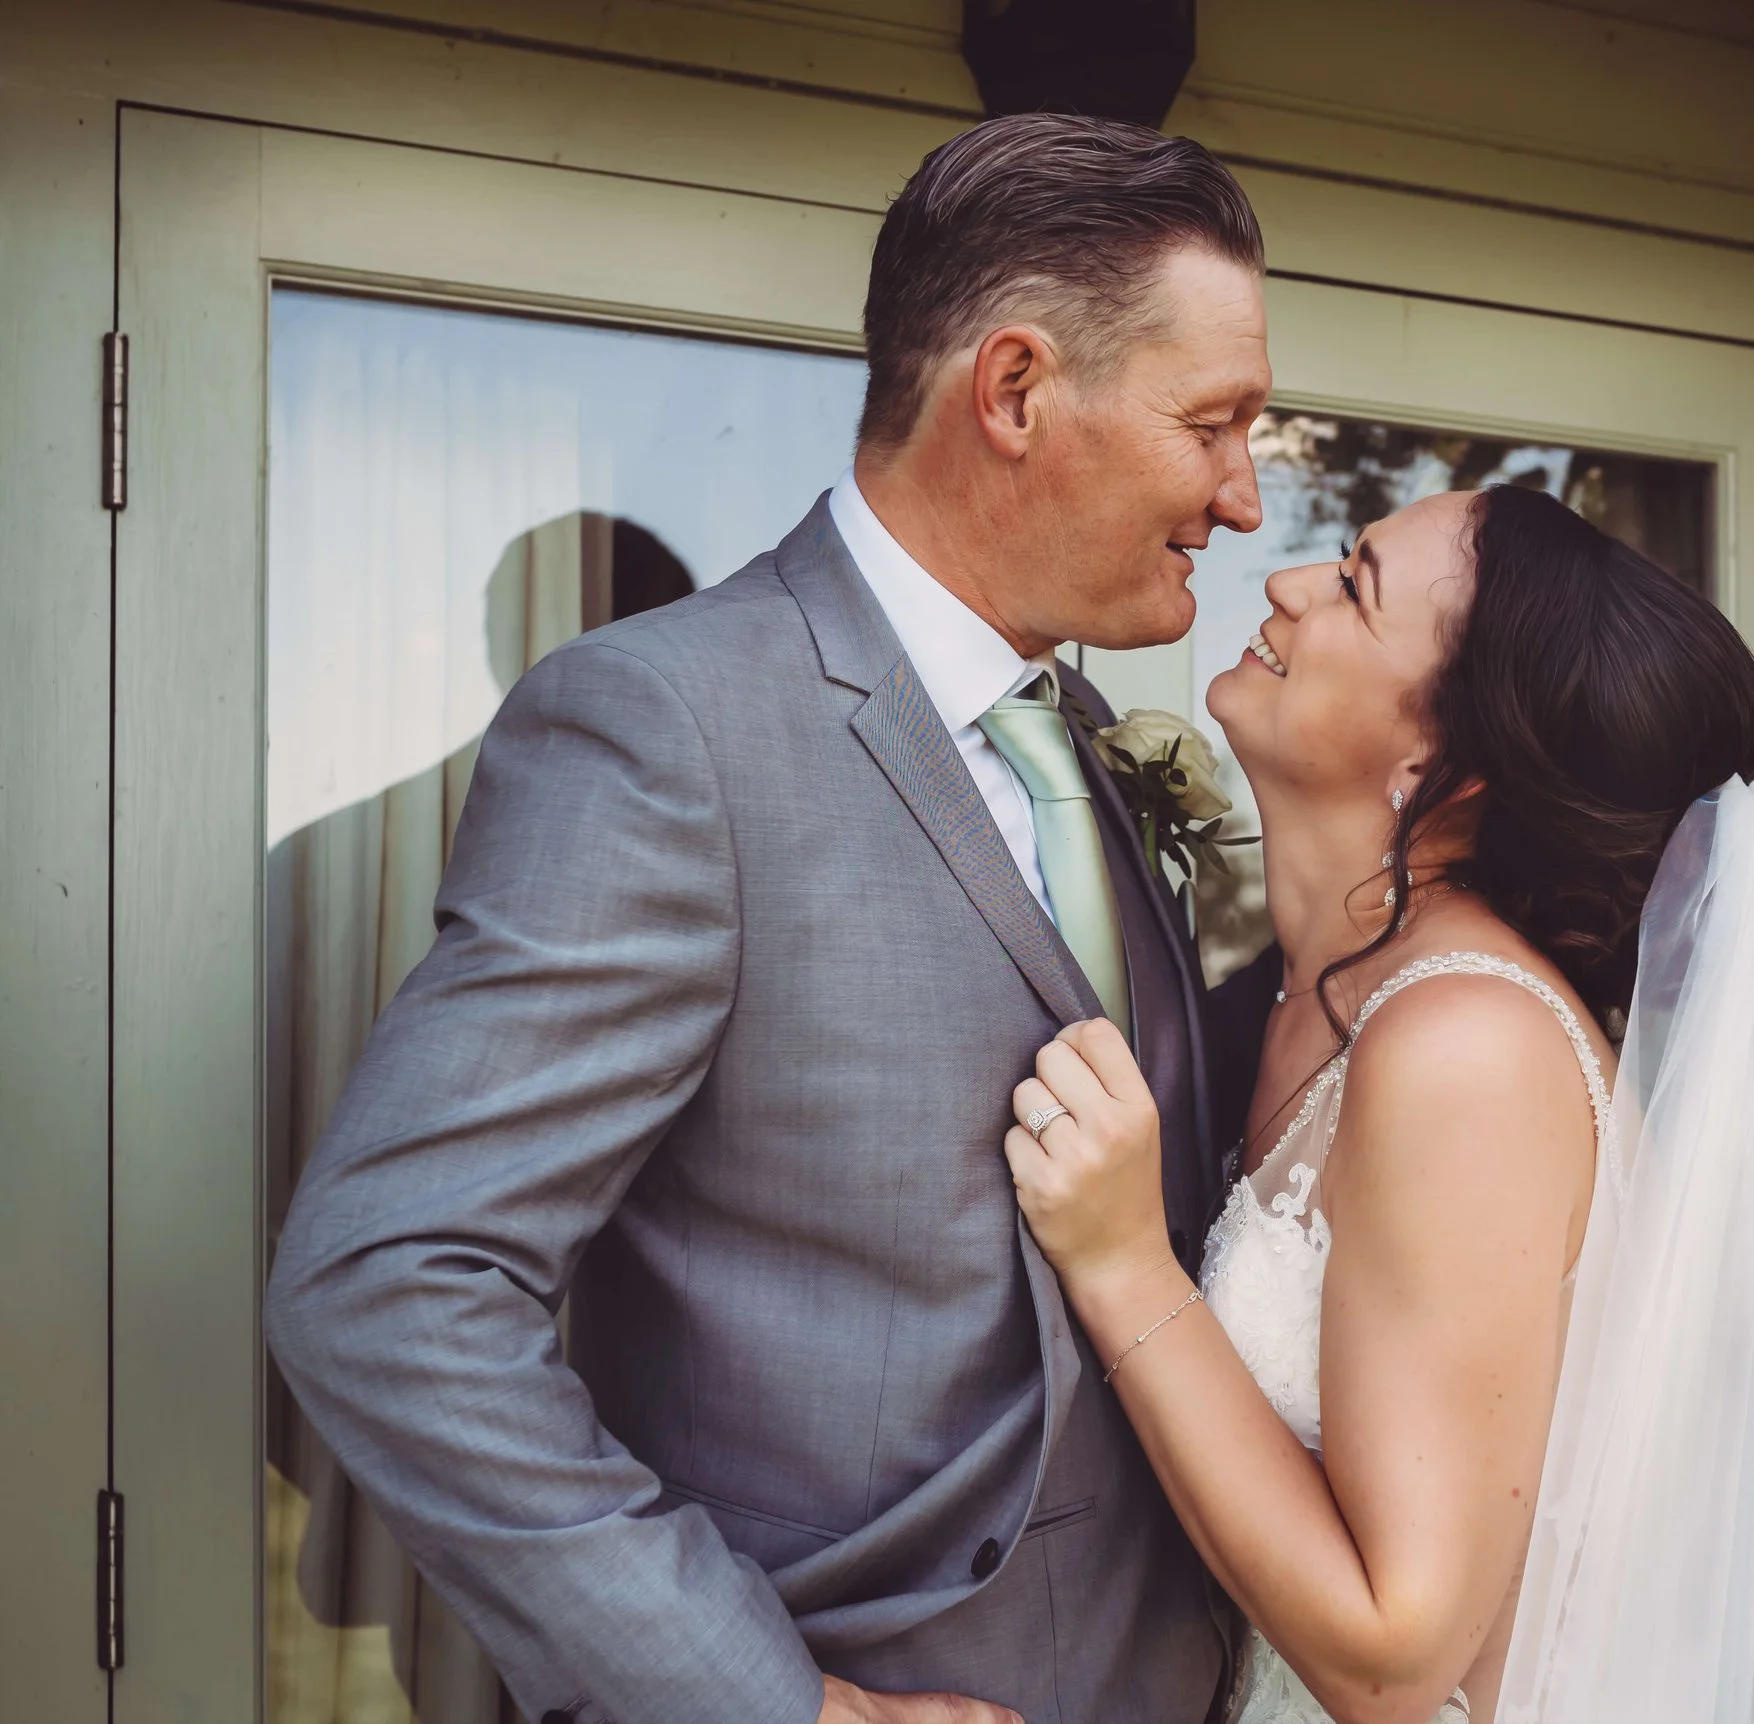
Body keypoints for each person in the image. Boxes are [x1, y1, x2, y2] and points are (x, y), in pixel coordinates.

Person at [264, 114, 1272, 1724]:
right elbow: (392, 1281)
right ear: (1013, 391)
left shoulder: (1087, 741)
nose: (1242, 500)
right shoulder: (668, 730)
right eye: (1213, 425)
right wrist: (772, 1709)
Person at [1002, 485, 1754, 1723]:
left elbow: (1397, 1655)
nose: (1285, 583)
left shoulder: (1469, 1048)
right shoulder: (1289, 999)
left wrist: (1124, 1266)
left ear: (1439, 765)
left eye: (1352, 583)